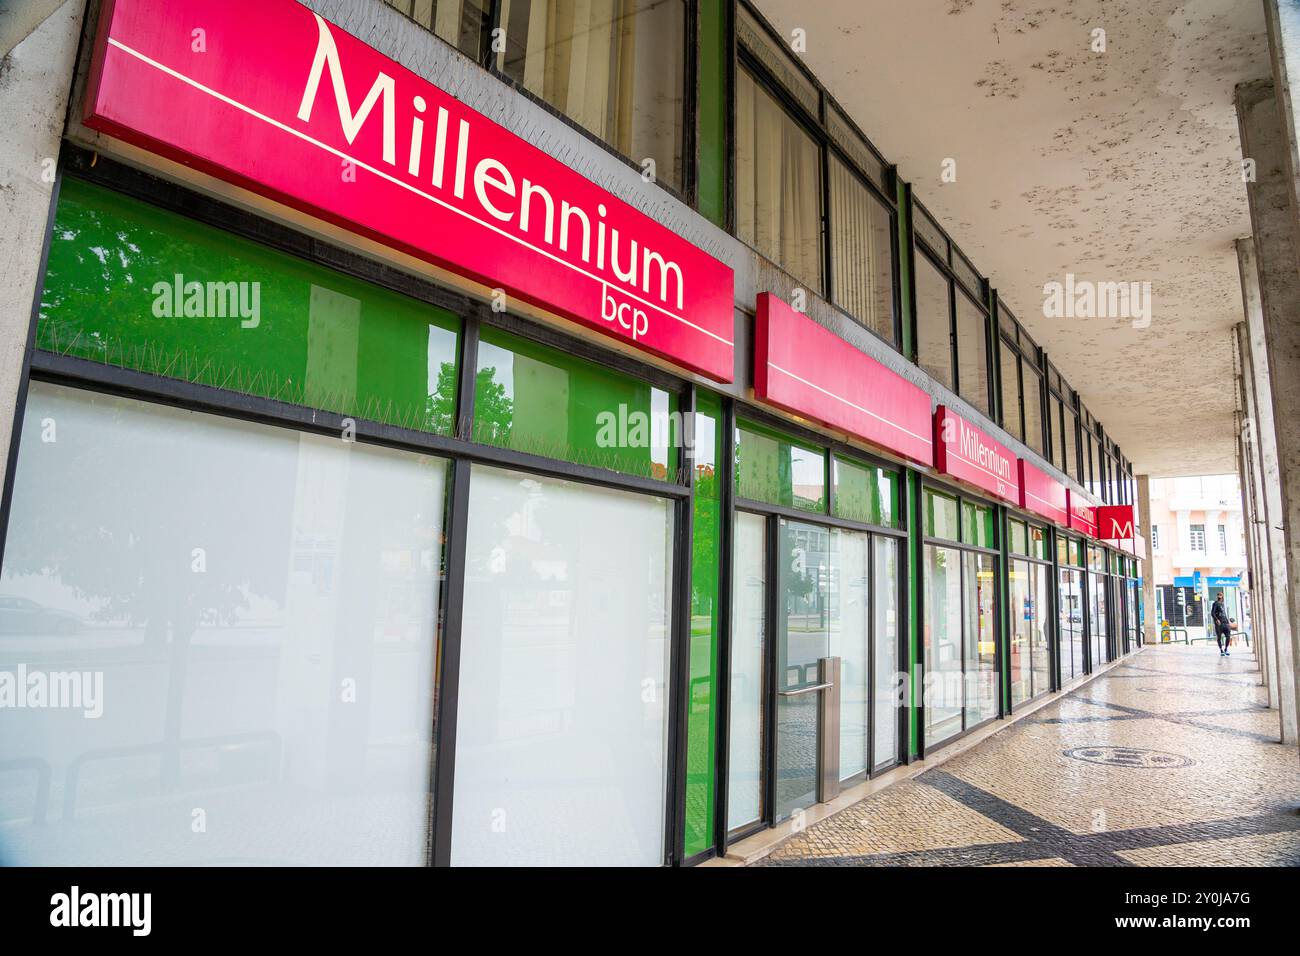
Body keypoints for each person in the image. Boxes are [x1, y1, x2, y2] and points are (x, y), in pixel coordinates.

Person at [1211, 592, 1231, 656]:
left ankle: (1226, 648)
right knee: (1219, 637)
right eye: (1218, 595)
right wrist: (1217, 620)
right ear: (1217, 596)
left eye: (1221, 595)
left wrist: (1228, 622)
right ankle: (1221, 650)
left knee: (1228, 636)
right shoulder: (1215, 603)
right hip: (1219, 624)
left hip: (1225, 623)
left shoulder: (1222, 604)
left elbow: (1224, 613)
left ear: (1222, 596)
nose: (1219, 596)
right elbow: (1212, 613)